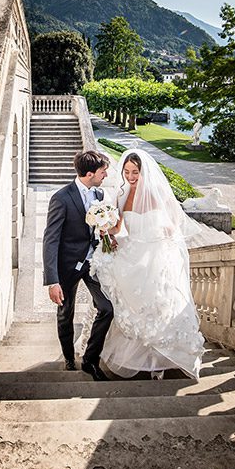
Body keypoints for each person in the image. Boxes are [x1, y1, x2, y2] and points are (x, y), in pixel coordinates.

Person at [89, 149, 206, 380]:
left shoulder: (159, 193)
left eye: (135, 172)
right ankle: (138, 360)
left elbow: (175, 224)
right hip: (132, 253)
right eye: (127, 172)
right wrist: (103, 225)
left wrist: (163, 233)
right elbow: (116, 227)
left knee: (159, 306)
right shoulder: (122, 195)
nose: (131, 177)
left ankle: (162, 359)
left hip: (157, 255)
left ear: (144, 172)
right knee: (134, 307)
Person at [42, 150, 114, 381]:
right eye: (103, 171)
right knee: (66, 314)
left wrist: (105, 236)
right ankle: (69, 358)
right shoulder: (61, 198)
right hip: (67, 266)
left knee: (107, 308)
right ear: (90, 173)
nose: (106, 175)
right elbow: (50, 239)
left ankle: (90, 360)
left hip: (93, 262)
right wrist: (52, 280)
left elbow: (96, 227)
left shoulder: (100, 194)